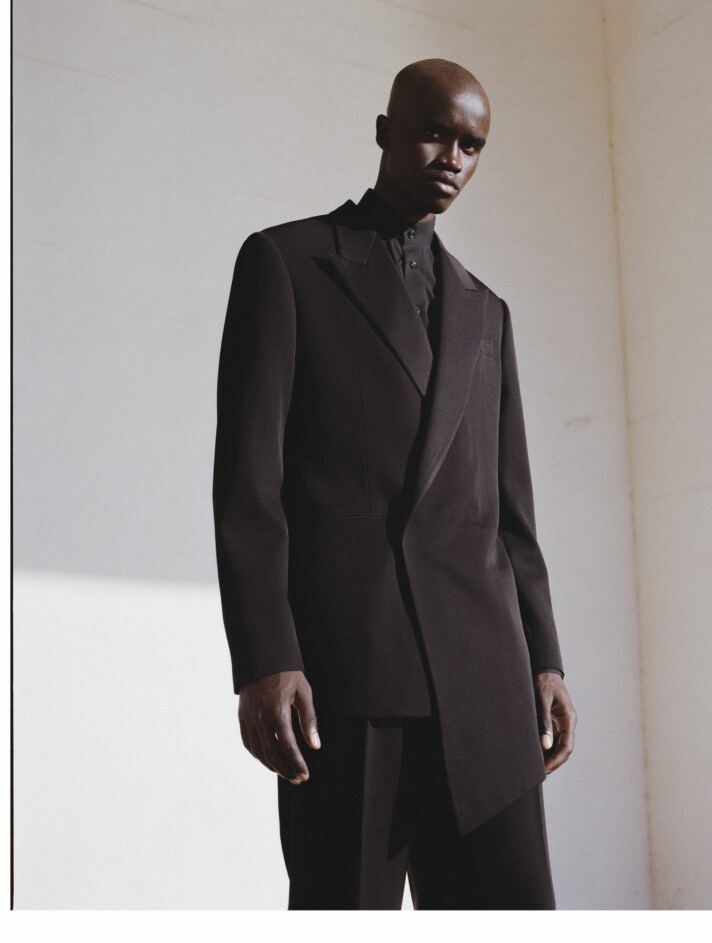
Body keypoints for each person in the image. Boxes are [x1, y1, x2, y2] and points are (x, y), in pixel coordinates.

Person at [212, 58, 577, 910]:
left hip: (487, 681)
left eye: (472, 145)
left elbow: (510, 514)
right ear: (384, 131)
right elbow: (249, 486)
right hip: (349, 680)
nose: (453, 158)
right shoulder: (287, 264)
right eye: (434, 133)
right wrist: (266, 658)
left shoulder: (487, 311)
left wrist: (546, 659)